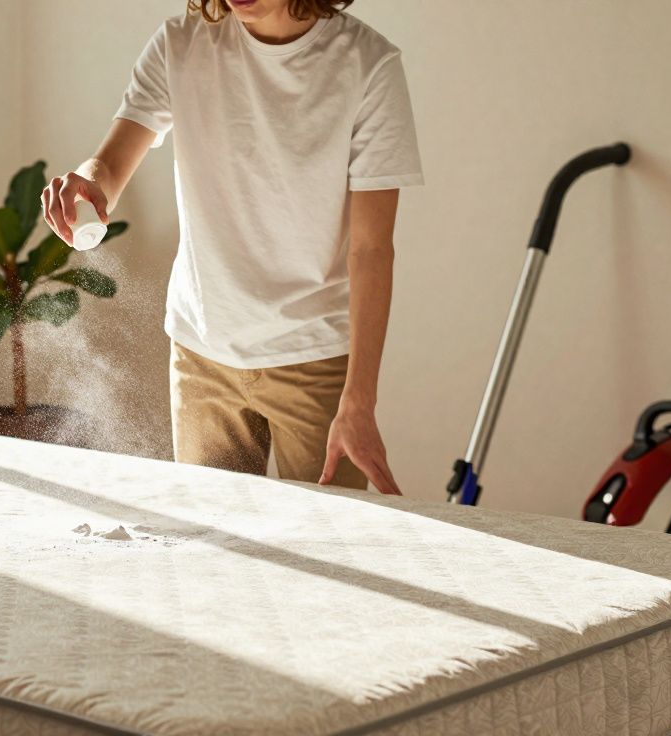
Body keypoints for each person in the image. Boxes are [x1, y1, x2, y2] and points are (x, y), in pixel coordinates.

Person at [40, 0, 421, 494]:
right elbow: (110, 167)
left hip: (314, 358)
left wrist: (360, 401)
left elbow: (371, 251)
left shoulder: (368, 65)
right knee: (212, 535)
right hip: (202, 354)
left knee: (328, 535)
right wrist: (87, 183)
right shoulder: (181, 43)